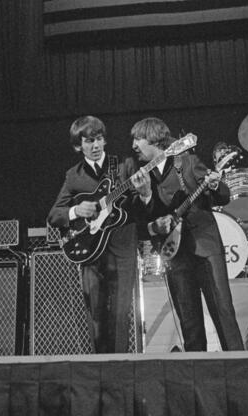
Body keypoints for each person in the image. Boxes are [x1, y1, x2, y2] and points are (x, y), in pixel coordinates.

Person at [132, 117, 244, 352]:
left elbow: (223, 195)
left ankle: (239, 370)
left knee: (223, 312)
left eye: (138, 138)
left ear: (153, 138)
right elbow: (143, 224)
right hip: (175, 255)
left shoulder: (188, 162)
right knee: (189, 322)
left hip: (205, 249)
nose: (133, 145)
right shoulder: (144, 177)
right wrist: (145, 197)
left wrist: (214, 184)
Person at [47, 116, 152, 354]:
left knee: (121, 312)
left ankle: (121, 370)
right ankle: (99, 369)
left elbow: (140, 208)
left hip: (123, 247)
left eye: (99, 139)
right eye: (89, 141)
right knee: (95, 313)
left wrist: (145, 194)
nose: (95, 146)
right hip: (90, 250)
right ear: (78, 146)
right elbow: (54, 215)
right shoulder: (73, 176)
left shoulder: (125, 166)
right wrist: (76, 210)